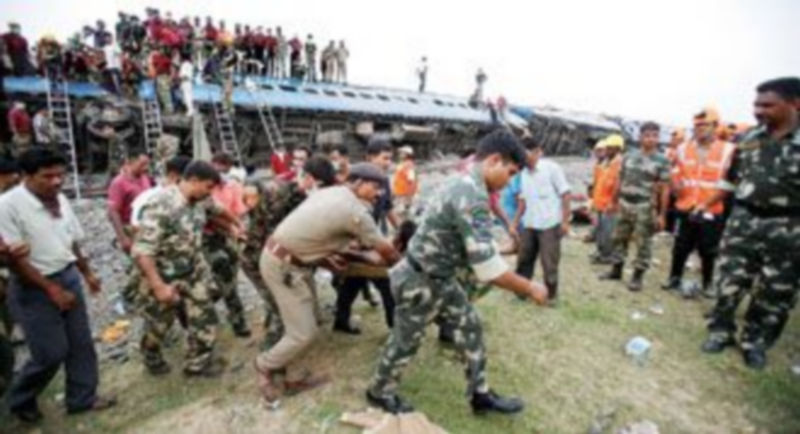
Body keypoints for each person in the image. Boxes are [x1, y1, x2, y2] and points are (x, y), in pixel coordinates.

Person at [366, 130, 548, 415]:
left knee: (470, 326)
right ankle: (379, 391)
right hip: (420, 281)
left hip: (440, 277)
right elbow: (488, 270)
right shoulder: (471, 194)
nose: (510, 181)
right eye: (511, 172)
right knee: (406, 341)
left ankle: (480, 394)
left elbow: (468, 243)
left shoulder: (466, 182)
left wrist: (496, 252)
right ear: (494, 160)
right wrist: (530, 287)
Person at [254, 163, 401, 406]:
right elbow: (387, 253)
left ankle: (294, 377)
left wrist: (328, 257)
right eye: (374, 188)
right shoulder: (355, 213)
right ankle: (264, 365)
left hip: (291, 260)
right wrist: (404, 266)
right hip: (284, 266)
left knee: (311, 320)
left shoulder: (334, 191)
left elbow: (316, 233)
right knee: (303, 332)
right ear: (358, 183)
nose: (378, 194)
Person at [0, 149, 117, 422]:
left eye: (60, 175)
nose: (56, 181)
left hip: (67, 276)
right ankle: (20, 400)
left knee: (80, 344)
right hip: (32, 285)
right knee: (50, 353)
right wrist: (51, 290)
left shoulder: (60, 199)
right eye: (47, 176)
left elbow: (72, 239)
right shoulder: (7, 206)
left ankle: (82, 398)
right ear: (26, 177)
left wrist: (86, 273)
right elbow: (15, 260)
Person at [701, 77, 800, 369]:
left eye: (768, 105)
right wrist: (706, 204)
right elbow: (731, 181)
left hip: (789, 229)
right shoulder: (749, 139)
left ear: (795, 104)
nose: (759, 111)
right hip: (743, 222)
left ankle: (755, 342)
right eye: (756, 104)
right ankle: (720, 331)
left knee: (775, 292)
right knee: (728, 282)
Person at [131, 161, 239, 377]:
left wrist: (236, 225)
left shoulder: (201, 199)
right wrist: (159, 286)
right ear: (193, 181)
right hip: (164, 275)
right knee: (159, 326)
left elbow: (219, 210)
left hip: (193, 270)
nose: (210, 193)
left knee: (205, 315)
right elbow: (143, 250)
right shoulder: (162, 204)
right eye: (208, 187)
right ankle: (151, 355)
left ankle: (197, 364)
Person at [241, 155, 337, 349]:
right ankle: (273, 349)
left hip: (278, 255)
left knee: (287, 294)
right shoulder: (275, 192)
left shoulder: (301, 197)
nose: (320, 191)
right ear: (308, 178)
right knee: (279, 300)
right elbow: (267, 236)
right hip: (258, 258)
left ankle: (285, 330)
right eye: (319, 185)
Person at [662, 108, 735, 296]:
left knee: (708, 249)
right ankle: (674, 277)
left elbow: (729, 182)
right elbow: (675, 171)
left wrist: (706, 204)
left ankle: (707, 283)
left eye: (704, 125)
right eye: (696, 126)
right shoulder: (683, 148)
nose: (699, 129)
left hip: (712, 208)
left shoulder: (728, 150)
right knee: (680, 246)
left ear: (715, 127)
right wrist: (675, 184)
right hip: (685, 206)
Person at [333, 138, 400, 334]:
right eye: (384, 158)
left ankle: (341, 320)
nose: (388, 162)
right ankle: (395, 329)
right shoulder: (355, 181)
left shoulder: (384, 181)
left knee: (354, 282)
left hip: (369, 239)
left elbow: (387, 208)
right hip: (356, 241)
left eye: (390, 159)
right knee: (386, 284)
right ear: (370, 157)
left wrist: (401, 228)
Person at [600, 122, 670, 291]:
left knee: (643, 242)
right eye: (647, 135)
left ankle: (637, 276)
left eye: (654, 136)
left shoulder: (662, 160)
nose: (651, 139)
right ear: (640, 137)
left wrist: (662, 214)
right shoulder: (629, 156)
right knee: (619, 237)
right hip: (624, 203)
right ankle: (616, 270)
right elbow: (620, 179)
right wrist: (613, 201)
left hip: (644, 206)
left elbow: (664, 189)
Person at [512, 137, 571, 303]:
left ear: (538, 152)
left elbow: (565, 194)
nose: (524, 158)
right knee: (524, 260)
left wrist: (565, 222)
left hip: (549, 225)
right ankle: (521, 293)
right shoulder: (523, 173)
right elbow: (523, 201)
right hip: (529, 224)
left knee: (549, 262)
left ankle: (551, 296)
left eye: (528, 154)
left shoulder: (552, 168)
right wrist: (515, 222)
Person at [204, 153, 250, 338]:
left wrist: (238, 228)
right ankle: (238, 321)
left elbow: (238, 212)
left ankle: (207, 302)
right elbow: (210, 216)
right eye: (217, 167)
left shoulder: (232, 186)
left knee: (228, 278)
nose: (221, 172)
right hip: (208, 238)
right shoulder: (205, 188)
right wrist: (232, 227)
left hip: (229, 236)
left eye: (225, 169)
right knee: (226, 277)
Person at [107, 151, 152, 254]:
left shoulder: (144, 178)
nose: (146, 168)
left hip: (145, 225)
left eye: (147, 164)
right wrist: (123, 238)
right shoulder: (118, 183)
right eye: (142, 164)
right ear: (130, 162)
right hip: (129, 227)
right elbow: (113, 212)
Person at [591, 134, 624, 264]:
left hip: (609, 204)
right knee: (600, 230)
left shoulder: (619, 164)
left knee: (608, 232)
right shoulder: (607, 163)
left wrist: (613, 202)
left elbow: (617, 184)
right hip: (600, 202)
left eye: (609, 148)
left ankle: (607, 255)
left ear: (617, 149)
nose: (607, 150)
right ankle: (601, 252)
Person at [391, 145, 418, 218]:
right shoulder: (403, 164)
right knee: (400, 212)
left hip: (405, 194)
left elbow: (411, 180)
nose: (400, 154)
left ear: (407, 154)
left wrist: (409, 195)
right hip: (400, 193)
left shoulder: (409, 165)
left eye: (402, 153)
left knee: (403, 213)